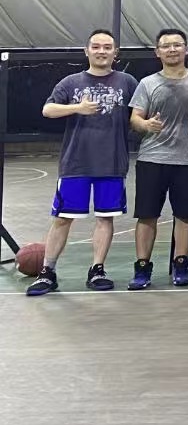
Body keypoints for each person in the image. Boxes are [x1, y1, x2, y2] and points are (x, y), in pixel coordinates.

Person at [27, 29, 139, 297]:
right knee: (63, 218)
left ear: (115, 52)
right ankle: (47, 271)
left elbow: (137, 114)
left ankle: (97, 269)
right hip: (76, 162)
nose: (102, 51)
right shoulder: (71, 82)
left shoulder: (127, 82)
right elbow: (48, 109)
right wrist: (77, 108)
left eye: (107, 47)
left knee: (105, 218)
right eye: (96, 47)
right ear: (86, 51)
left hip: (112, 163)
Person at [127, 28, 188, 289]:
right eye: (166, 46)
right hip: (152, 158)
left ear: (186, 49)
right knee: (147, 215)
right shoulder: (147, 83)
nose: (172, 50)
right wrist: (145, 124)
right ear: (157, 52)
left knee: (185, 215)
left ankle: (181, 264)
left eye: (177, 45)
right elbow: (135, 119)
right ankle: (142, 268)